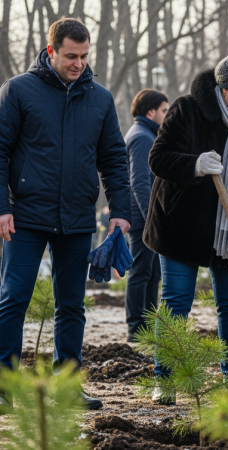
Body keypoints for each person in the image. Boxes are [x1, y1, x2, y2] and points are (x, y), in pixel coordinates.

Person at [0, 18, 132, 410]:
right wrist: (2, 208)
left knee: (72, 305)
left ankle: (67, 387)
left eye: (84, 56)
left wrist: (120, 211)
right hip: (24, 216)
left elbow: (113, 158)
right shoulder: (18, 90)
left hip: (77, 218)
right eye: (71, 56)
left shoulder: (100, 99)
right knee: (13, 299)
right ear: (51, 51)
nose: (79, 63)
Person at [143, 53, 228, 405]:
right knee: (176, 300)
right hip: (181, 223)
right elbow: (158, 158)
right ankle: (165, 380)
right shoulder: (187, 109)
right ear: (224, 88)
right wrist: (195, 164)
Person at [124, 88, 168, 342]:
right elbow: (139, 181)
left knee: (152, 273)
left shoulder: (146, 134)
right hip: (143, 218)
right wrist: (151, 217)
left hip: (146, 216)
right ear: (150, 112)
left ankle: (147, 326)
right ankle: (136, 328)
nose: (166, 115)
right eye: (164, 110)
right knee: (141, 272)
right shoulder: (141, 137)